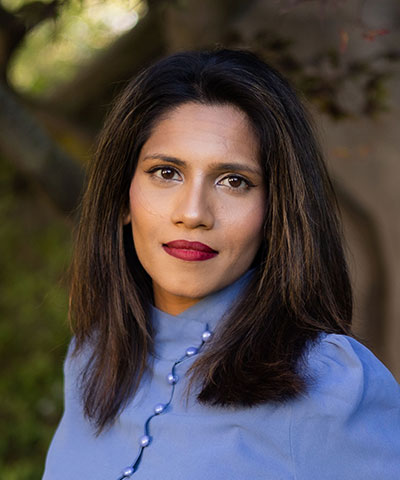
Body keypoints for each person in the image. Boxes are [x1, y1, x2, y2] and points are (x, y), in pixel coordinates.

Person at [42, 49, 400, 480]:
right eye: (166, 172)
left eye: (234, 181)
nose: (193, 213)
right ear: (122, 197)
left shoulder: (329, 384)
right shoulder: (92, 358)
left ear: (275, 214)